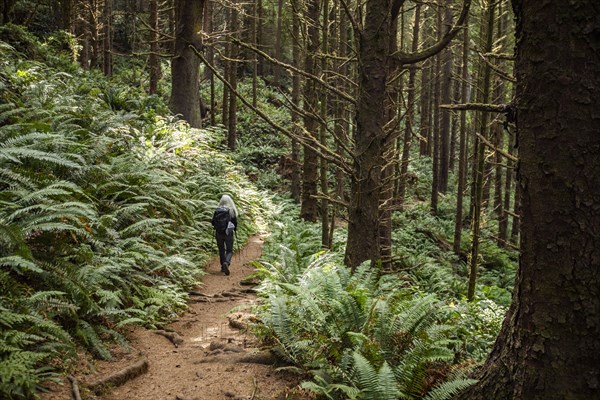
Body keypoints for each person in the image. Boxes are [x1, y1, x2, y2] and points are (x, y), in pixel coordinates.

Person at [211, 194, 238, 275]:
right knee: (229, 250)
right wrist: (235, 229)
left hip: (218, 233)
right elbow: (234, 222)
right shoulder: (231, 210)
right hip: (228, 233)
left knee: (221, 250)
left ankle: (223, 267)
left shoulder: (217, 210)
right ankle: (226, 262)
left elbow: (213, 222)